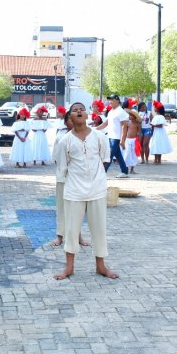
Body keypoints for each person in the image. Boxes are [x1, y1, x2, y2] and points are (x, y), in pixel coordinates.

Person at [54, 102, 119, 281]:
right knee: (71, 229)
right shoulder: (65, 140)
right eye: (75, 110)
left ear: (87, 114)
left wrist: (96, 177)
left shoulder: (99, 136)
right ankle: (69, 267)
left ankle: (100, 266)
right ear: (70, 117)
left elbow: (105, 159)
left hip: (97, 189)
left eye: (81, 109)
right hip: (74, 190)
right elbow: (62, 167)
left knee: (99, 229)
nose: (79, 111)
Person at [51, 109, 89, 247]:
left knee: (78, 208)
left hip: (78, 179)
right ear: (66, 121)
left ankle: (78, 236)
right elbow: (57, 159)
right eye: (69, 119)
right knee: (62, 208)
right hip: (63, 177)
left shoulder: (85, 137)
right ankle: (60, 236)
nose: (72, 122)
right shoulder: (61, 137)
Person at [97, 94, 129, 178]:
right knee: (118, 155)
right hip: (110, 136)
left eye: (112, 100)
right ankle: (124, 171)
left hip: (116, 138)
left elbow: (124, 126)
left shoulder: (121, 112)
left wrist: (122, 140)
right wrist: (95, 129)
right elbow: (105, 123)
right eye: (109, 100)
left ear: (117, 101)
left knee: (109, 155)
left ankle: (102, 173)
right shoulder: (111, 112)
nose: (110, 102)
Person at [124, 109, 141, 174]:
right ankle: (126, 168)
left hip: (134, 140)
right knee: (127, 154)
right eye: (129, 115)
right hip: (128, 140)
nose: (130, 116)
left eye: (131, 115)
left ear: (135, 116)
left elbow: (139, 132)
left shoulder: (137, 124)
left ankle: (132, 169)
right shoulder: (128, 123)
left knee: (134, 154)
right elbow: (125, 132)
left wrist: (139, 140)